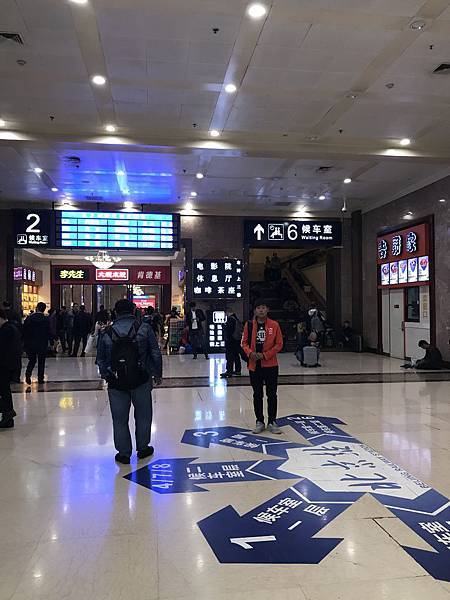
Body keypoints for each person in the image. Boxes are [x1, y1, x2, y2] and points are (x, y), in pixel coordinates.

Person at [96, 299, 163, 464]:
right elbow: (155, 352)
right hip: (141, 379)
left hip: (117, 382)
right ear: (133, 311)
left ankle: (124, 453)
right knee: (143, 415)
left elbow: (101, 359)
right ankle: (143, 448)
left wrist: (107, 376)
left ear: (115, 313)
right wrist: (157, 374)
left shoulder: (107, 332)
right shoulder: (144, 328)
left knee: (119, 418)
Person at [241, 300, 283, 434]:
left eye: (263, 307)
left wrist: (265, 355)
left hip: (270, 365)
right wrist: (251, 353)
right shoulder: (249, 325)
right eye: (258, 307)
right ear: (255, 311)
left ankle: (272, 421)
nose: (261, 310)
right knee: (257, 394)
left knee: (272, 394)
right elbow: (244, 343)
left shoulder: (274, 325)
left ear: (267, 310)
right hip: (254, 366)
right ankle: (259, 421)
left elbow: (279, 344)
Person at [0, 309, 21, 429]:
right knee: (4, 391)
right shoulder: (12, 328)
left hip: (4, 365)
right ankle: (8, 418)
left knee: (4, 391)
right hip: (9, 365)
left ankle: (8, 412)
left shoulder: (6, 330)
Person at [23, 302, 50, 385]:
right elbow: (48, 331)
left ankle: (28, 374)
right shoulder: (46, 319)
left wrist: (25, 342)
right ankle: (40, 378)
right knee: (41, 361)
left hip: (31, 343)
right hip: (42, 343)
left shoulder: (30, 318)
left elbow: (25, 330)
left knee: (32, 360)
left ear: (37, 308)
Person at [2, 301, 23, 382]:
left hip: (7, 341)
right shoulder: (15, 313)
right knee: (16, 359)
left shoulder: (3, 314)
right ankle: (16, 377)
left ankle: (8, 376)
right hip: (16, 339)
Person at [220, 308, 243, 378]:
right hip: (236, 340)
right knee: (236, 356)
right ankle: (238, 370)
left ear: (228, 312)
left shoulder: (230, 319)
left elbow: (229, 330)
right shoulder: (236, 319)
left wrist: (223, 326)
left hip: (231, 341)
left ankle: (229, 371)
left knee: (229, 356)